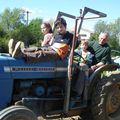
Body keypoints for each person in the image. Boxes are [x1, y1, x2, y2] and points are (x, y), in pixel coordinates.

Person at [9, 17, 73, 63]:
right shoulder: (56, 35)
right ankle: (18, 51)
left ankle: (23, 55)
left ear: (65, 26)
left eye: (61, 27)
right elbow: (50, 44)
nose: (59, 29)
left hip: (58, 54)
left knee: (42, 54)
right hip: (51, 48)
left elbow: (75, 45)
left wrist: (78, 39)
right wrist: (43, 47)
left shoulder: (70, 36)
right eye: (57, 28)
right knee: (37, 49)